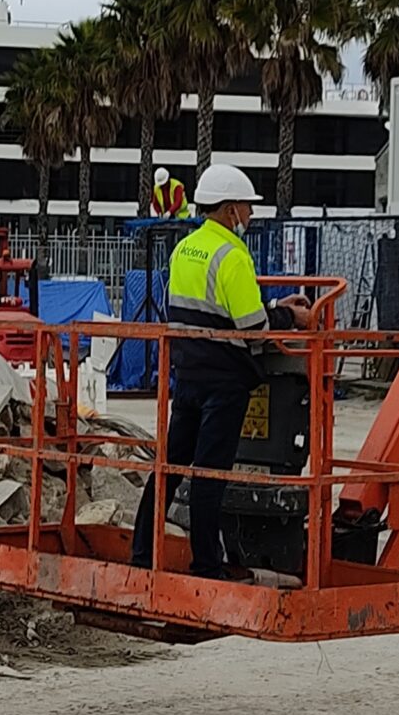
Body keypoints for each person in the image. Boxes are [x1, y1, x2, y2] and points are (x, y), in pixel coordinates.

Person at [133, 164, 314, 579]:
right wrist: (291, 318)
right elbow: (254, 328)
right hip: (225, 382)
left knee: (170, 469)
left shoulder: (186, 249)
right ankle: (208, 567)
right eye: (248, 207)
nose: (250, 216)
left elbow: (200, 310)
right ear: (231, 208)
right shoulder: (232, 255)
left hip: (188, 374)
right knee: (210, 476)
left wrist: (276, 309)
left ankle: (142, 556)